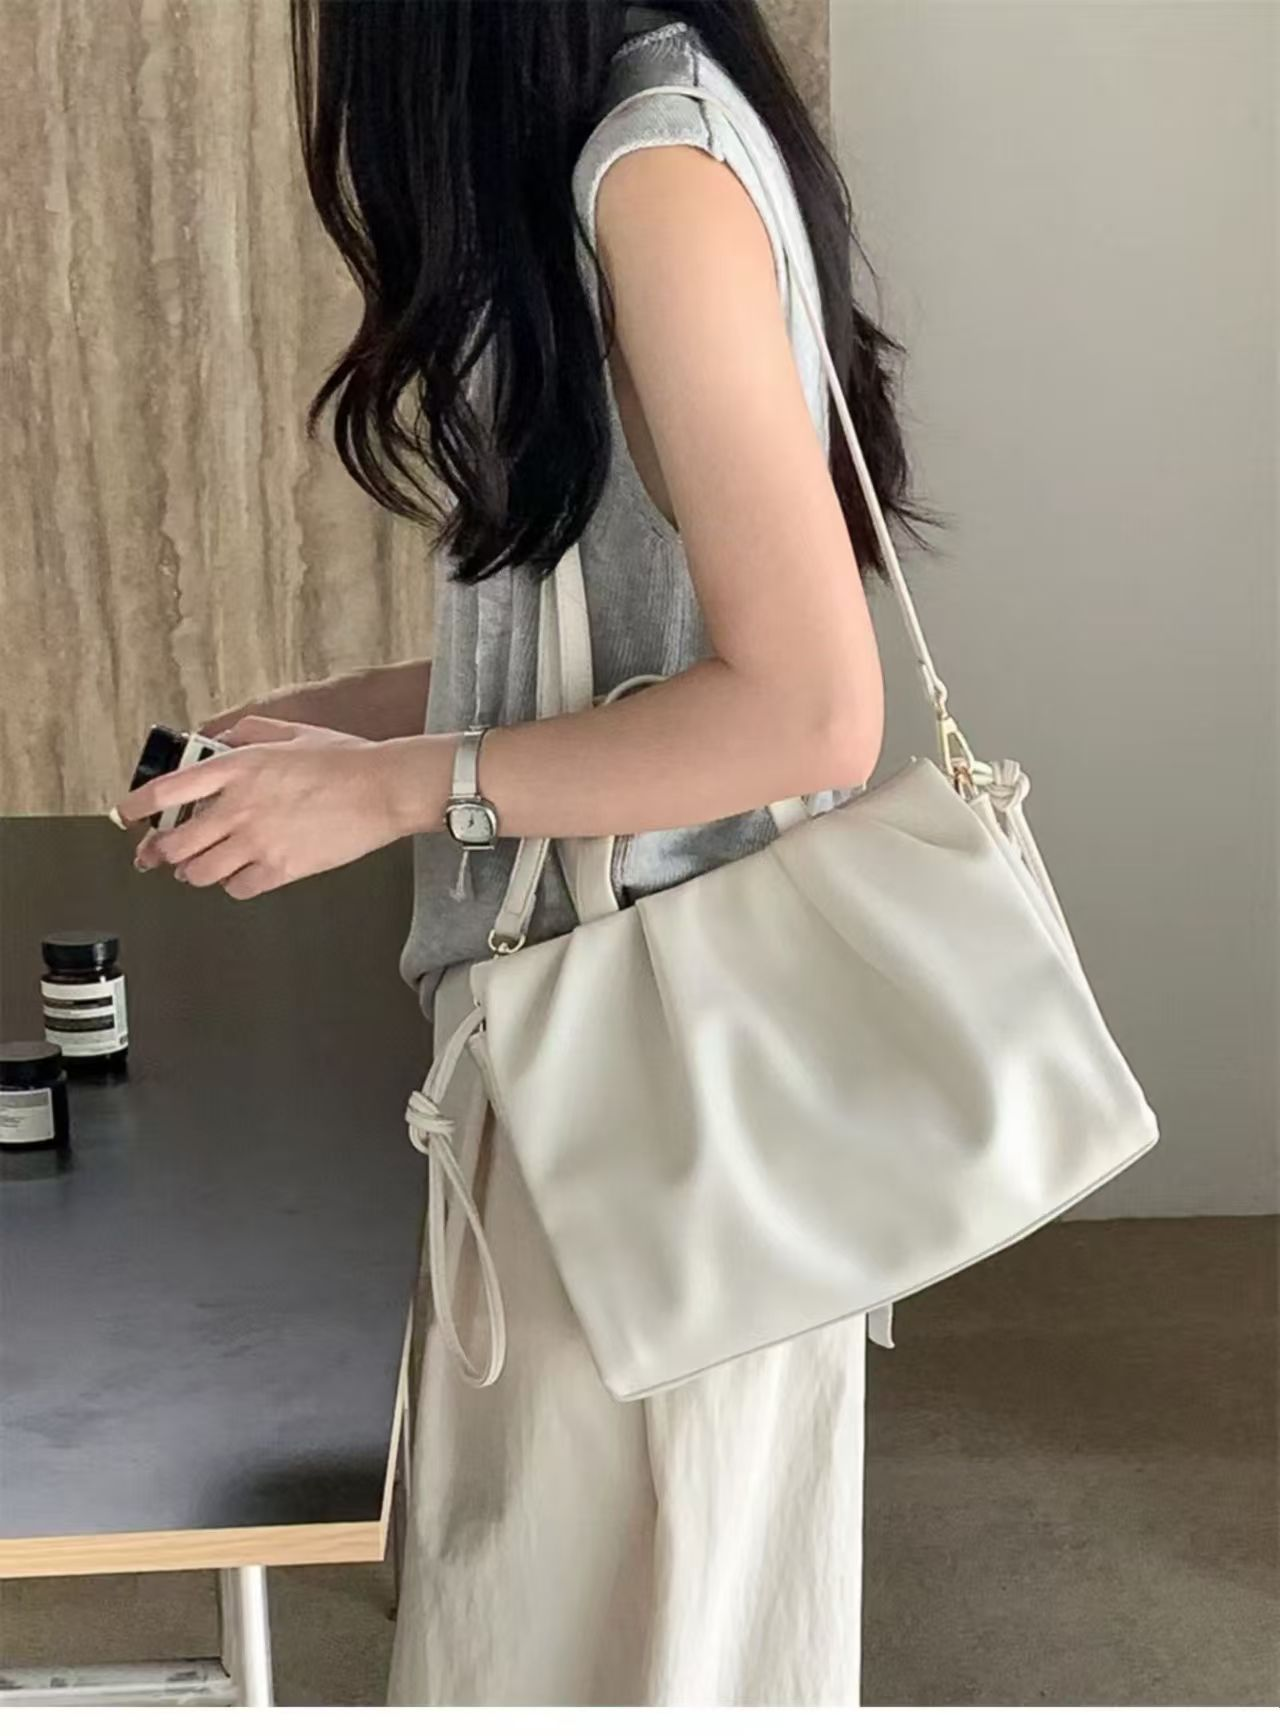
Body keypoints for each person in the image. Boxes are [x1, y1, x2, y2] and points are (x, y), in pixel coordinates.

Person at [114, 0, 937, 1706]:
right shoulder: (643, 135)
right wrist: (356, 741)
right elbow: (638, 652)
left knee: (603, 1652)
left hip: (650, 1094)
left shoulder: (655, 171)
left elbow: (806, 709)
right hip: (627, 1078)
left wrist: (399, 794)